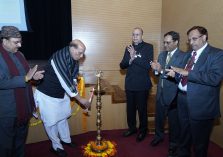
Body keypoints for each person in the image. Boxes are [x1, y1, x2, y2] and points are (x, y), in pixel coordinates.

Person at [166, 26, 223, 157]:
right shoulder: (188, 55)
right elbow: (182, 75)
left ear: (204, 37)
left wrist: (187, 72)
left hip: (201, 105)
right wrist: (176, 74)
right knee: (184, 136)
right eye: (189, 40)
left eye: (194, 39)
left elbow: (214, 78)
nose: (191, 43)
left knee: (200, 143)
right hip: (182, 100)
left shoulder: (217, 54)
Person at [34, 39, 90, 157]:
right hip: (47, 94)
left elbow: (73, 75)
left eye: (82, 54)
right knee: (51, 122)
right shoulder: (59, 58)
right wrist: (81, 100)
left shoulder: (74, 56)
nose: (81, 56)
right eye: (79, 53)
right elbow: (65, 81)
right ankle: (56, 146)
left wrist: (74, 83)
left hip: (61, 93)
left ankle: (66, 140)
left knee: (62, 118)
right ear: (72, 48)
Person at [0, 26, 44, 157]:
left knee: (20, 144)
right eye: (15, 42)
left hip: (24, 108)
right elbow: (2, 82)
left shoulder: (20, 55)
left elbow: (27, 77)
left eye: (20, 41)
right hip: (7, 112)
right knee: (5, 147)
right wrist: (26, 78)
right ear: (4, 40)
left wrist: (34, 78)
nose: (19, 45)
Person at [150, 31, 187, 157]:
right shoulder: (162, 54)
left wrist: (160, 70)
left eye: (168, 42)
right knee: (159, 119)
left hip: (174, 96)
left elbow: (178, 76)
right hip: (160, 93)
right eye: (164, 42)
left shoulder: (183, 56)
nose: (165, 45)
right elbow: (158, 74)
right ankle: (158, 136)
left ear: (176, 42)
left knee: (174, 123)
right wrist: (155, 70)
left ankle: (173, 145)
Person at [120, 27, 153, 142]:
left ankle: (143, 130)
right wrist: (129, 60)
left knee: (142, 109)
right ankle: (132, 128)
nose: (135, 36)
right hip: (130, 84)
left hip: (142, 85)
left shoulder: (148, 47)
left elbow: (148, 65)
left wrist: (133, 57)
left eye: (137, 34)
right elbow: (122, 65)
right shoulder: (128, 48)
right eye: (133, 34)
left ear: (142, 36)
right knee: (130, 109)